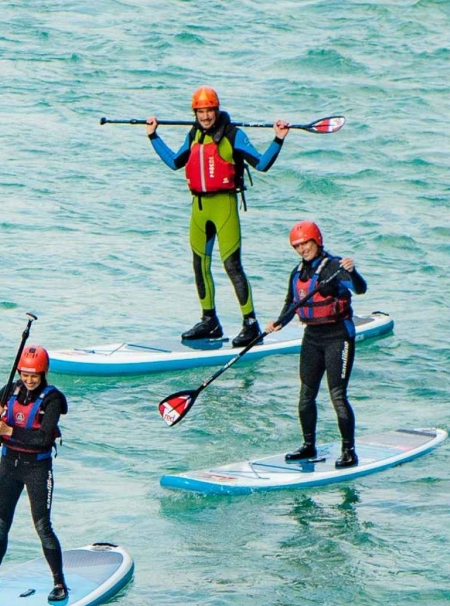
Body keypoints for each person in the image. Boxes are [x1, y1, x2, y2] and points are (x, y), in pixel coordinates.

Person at [146, 87, 291, 347]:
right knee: (199, 264)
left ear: (216, 110)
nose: (205, 117)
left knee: (231, 266)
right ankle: (209, 321)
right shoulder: (193, 135)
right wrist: (153, 136)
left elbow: (261, 164)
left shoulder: (233, 135)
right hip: (199, 209)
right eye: (200, 112)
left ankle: (250, 323)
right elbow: (174, 161)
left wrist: (278, 138)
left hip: (224, 206)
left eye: (209, 111)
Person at [266, 220, 367, 469]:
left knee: (337, 396)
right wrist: (278, 322)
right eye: (297, 246)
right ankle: (308, 445)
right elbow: (292, 304)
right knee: (305, 395)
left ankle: (348, 451)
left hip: (338, 337)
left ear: (316, 241)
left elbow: (361, 289)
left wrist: (353, 272)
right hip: (311, 338)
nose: (302, 250)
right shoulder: (297, 273)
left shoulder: (334, 266)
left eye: (305, 244)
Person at [0, 345, 68, 602]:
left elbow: (43, 438)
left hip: (37, 468)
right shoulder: (10, 390)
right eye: (25, 375)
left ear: (43, 373)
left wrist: (8, 430)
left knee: (42, 526)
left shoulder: (53, 399)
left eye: (34, 376)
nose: (29, 380)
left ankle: (59, 583)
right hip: (9, 466)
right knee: (0, 525)